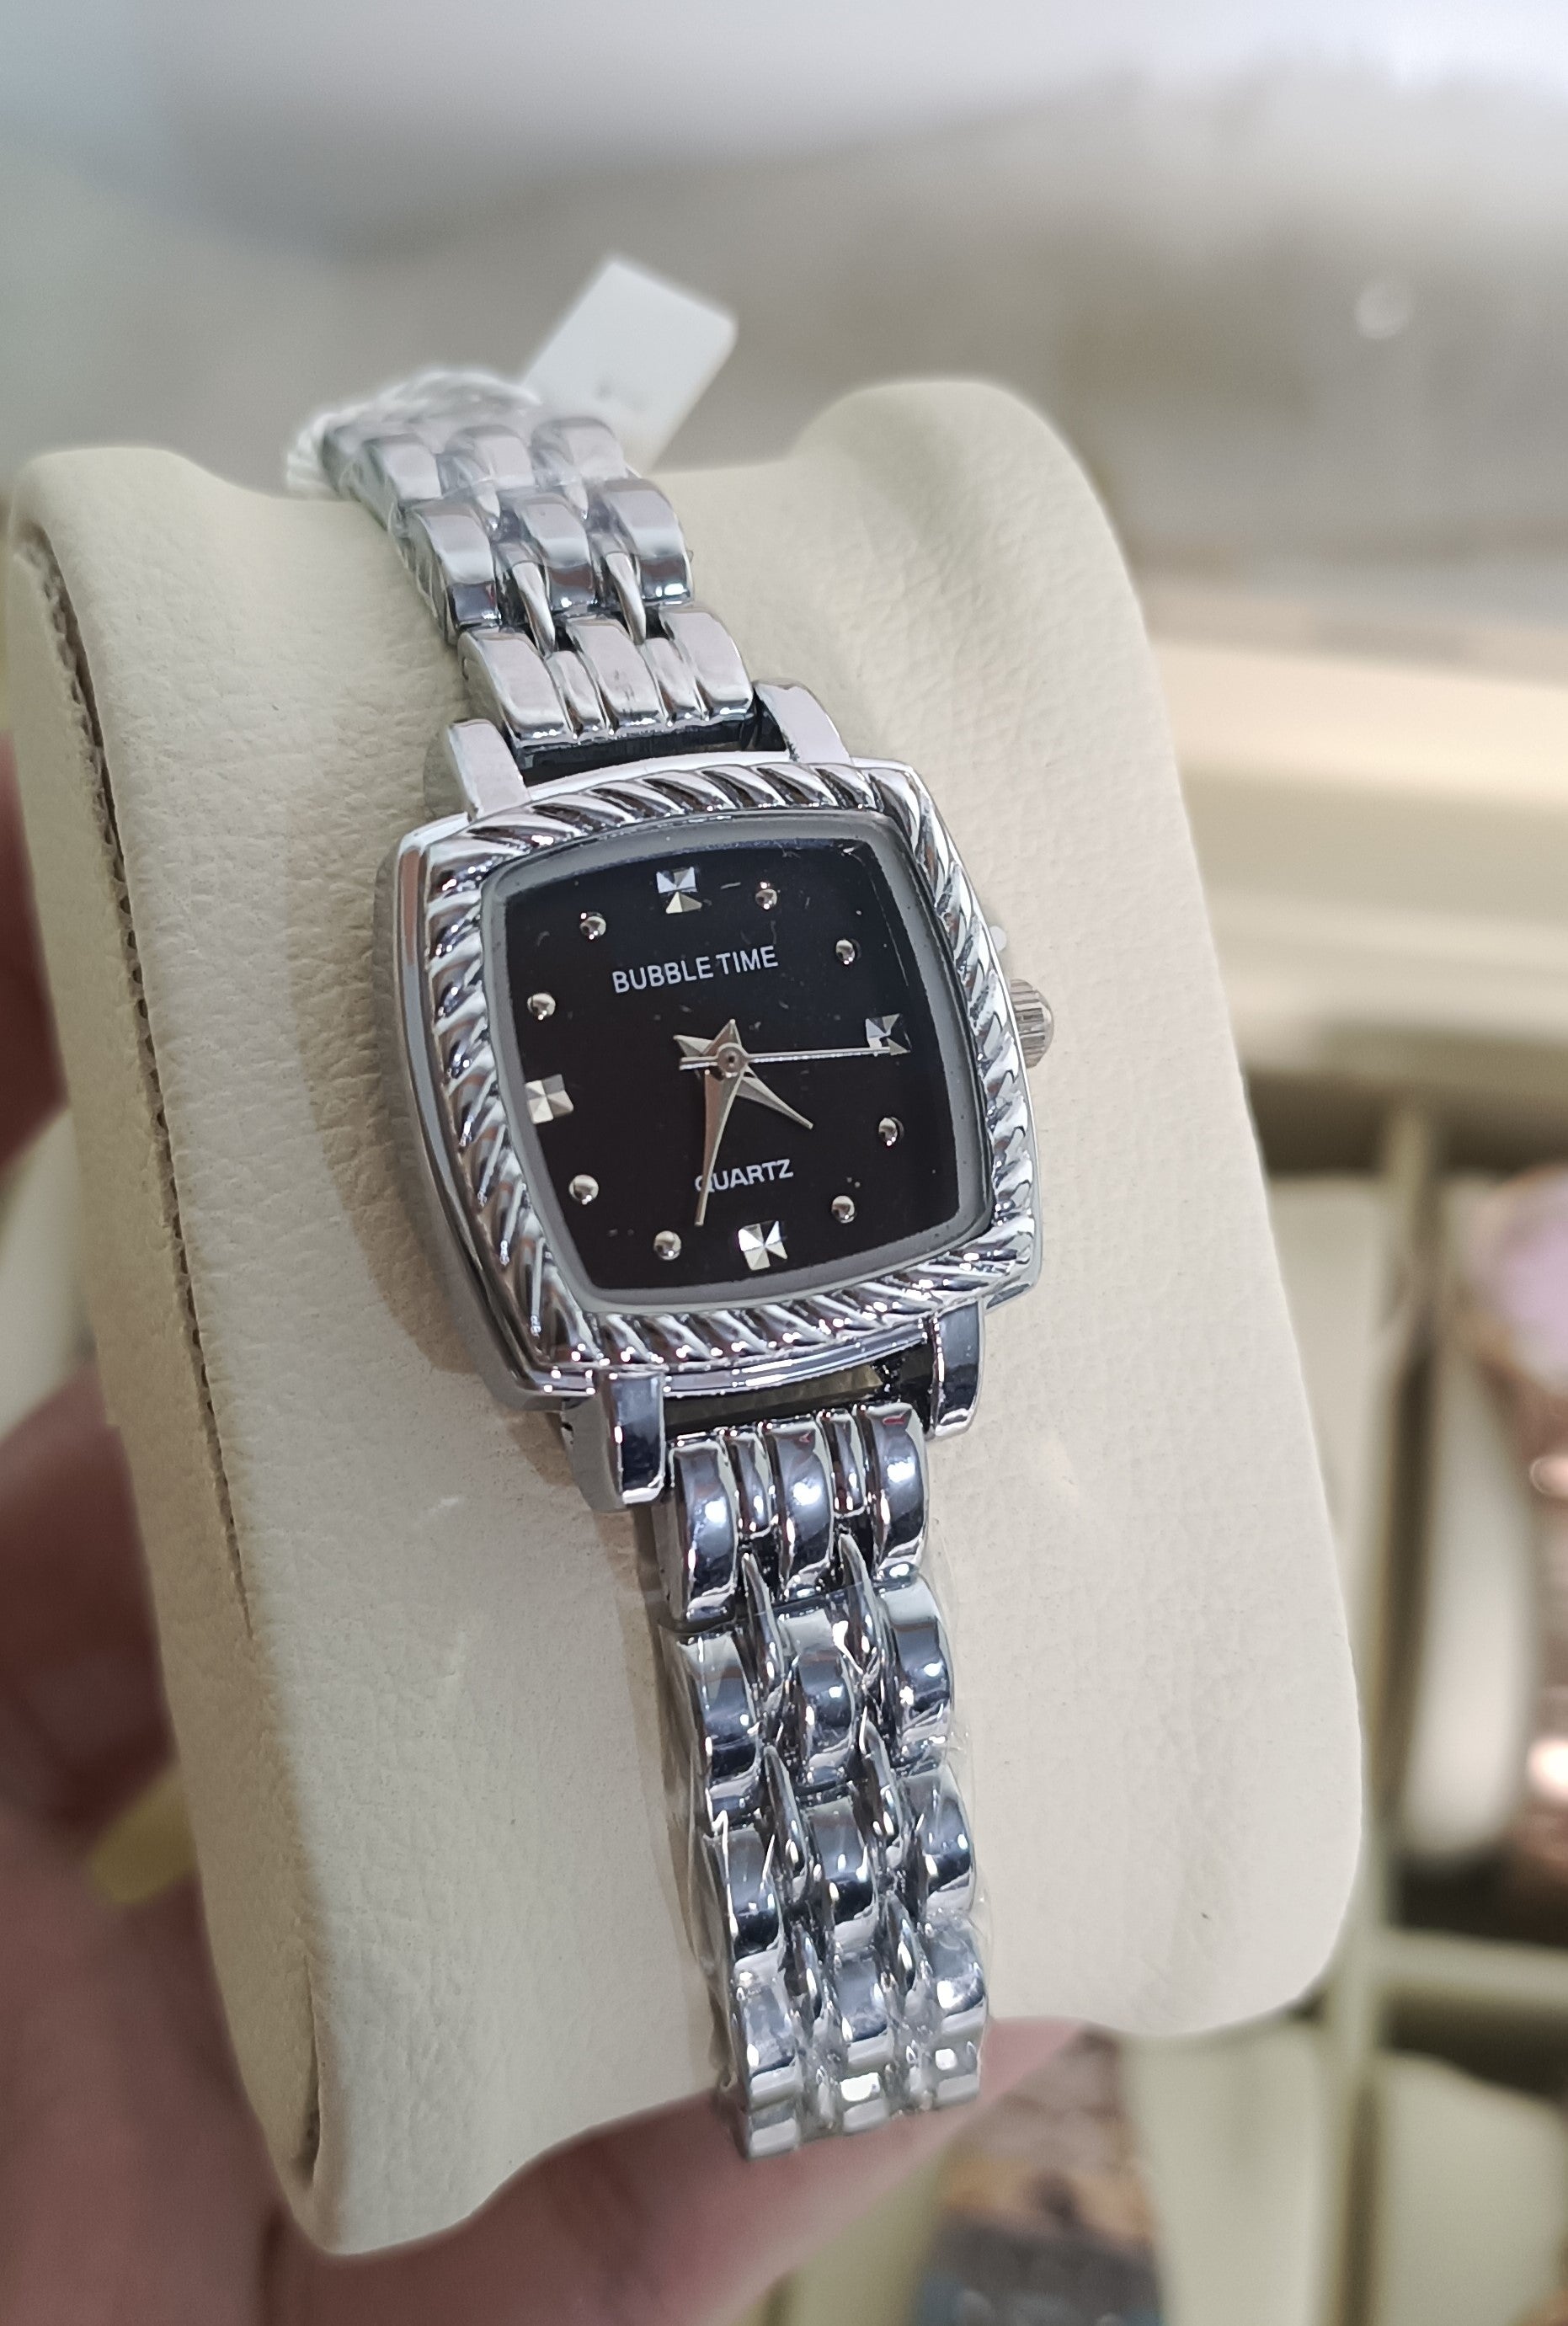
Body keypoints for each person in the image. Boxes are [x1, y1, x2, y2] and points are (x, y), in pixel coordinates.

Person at [0, 739, 1064, 2323]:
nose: (722, 1065)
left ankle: (850, 2033)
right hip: (652, 1362)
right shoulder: (493, 914)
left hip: (860, 1328)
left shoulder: (850, 863)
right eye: (708, 1063)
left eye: (728, 1056)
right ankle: (838, 2031)